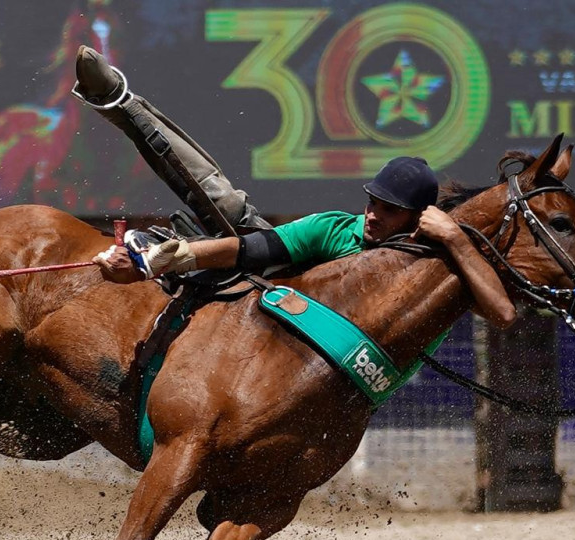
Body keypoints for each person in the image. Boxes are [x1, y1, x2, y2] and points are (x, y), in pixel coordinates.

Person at [75, 47, 516, 330]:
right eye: (372, 203)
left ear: (418, 218)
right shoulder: (333, 229)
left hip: (335, 382)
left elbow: (503, 313)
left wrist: (456, 239)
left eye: (389, 210)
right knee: (221, 198)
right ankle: (119, 102)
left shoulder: (433, 264)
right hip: (271, 304)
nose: (373, 215)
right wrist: (170, 260)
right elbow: (246, 251)